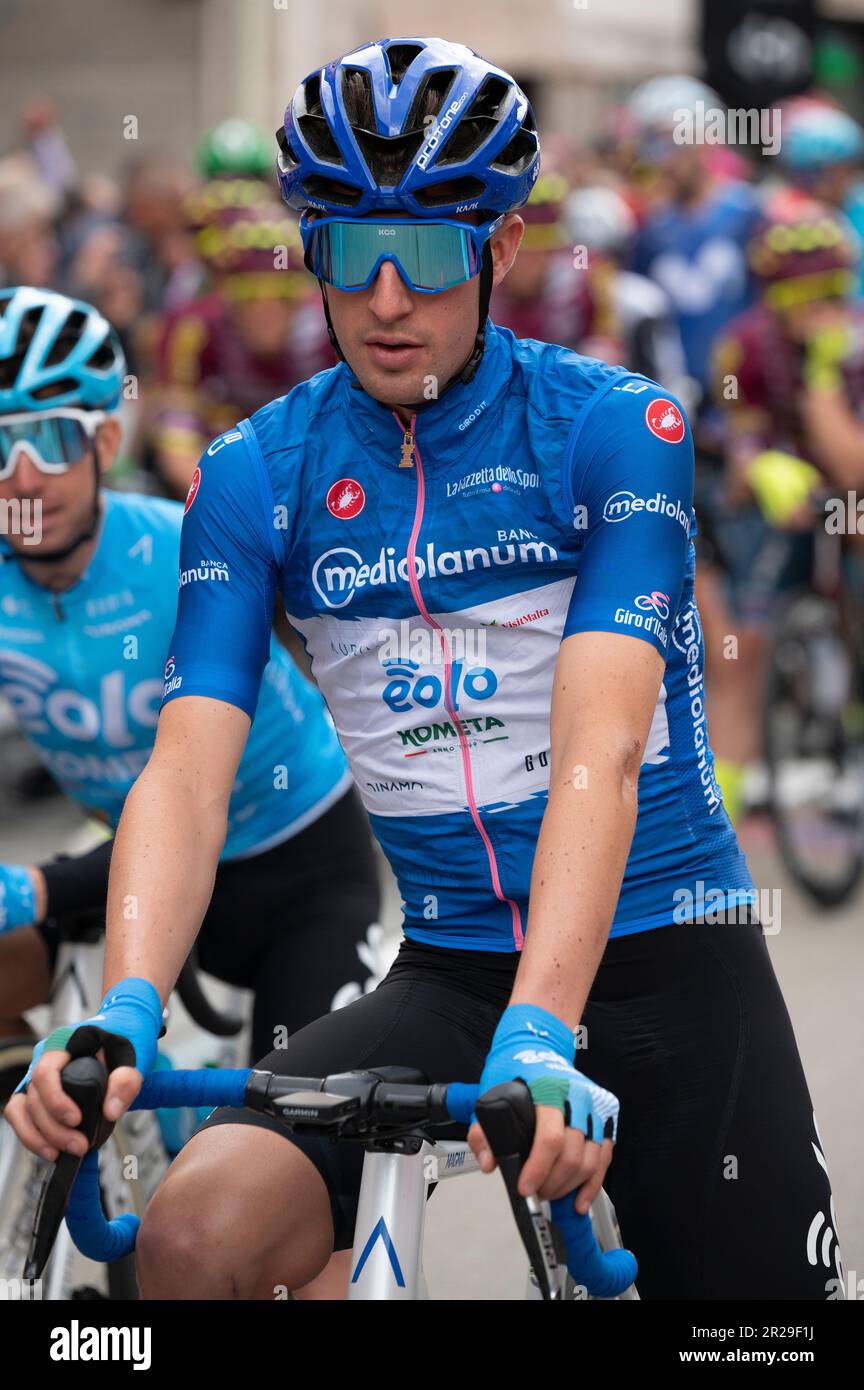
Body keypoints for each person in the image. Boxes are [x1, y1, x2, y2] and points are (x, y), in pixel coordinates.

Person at [7, 38, 840, 1302]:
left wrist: (549, 1025)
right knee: (190, 1240)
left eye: (433, 252)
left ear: (503, 250)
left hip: (667, 947)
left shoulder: (617, 429)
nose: (390, 298)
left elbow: (600, 751)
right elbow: (185, 767)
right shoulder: (254, 474)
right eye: (352, 251)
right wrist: (124, 1003)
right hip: (452, 962)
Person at [0, 286, 382, 1064]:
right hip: (137, 869)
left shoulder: (182, 550)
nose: (23, 476)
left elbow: (191, 790)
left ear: (107, 443)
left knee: (302, 1141)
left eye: (50, 439)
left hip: (295, 866)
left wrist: (46, 887)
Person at [705, 201, 864, 814]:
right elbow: (732, 432)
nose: (819, 307)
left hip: (841, 487)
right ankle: (727, 797)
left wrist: (823, 371)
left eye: (832, 291)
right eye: (803, 294)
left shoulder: (851, 344)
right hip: (759, 497)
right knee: (740, 646)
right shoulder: (744, 342)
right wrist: (761, 462)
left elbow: (852, 465)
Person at [150, 196, 333, 497]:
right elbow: (176, 440)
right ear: (226, 301)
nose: (265, 312)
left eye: (279, 298)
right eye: (249, 299)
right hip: (221, 471)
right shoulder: (195, 327)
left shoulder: (327, 330)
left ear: (299, 301)